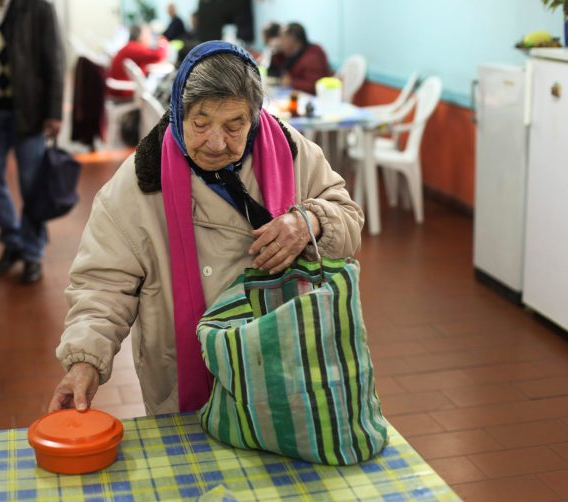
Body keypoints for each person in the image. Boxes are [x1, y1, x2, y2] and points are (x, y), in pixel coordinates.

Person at [48, 41, 364, 416]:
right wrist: (85, 362)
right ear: (179, 112)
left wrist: (309, 220)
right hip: (187, 378)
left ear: (256, 117)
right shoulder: (139, 183)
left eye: (235, 125)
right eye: (200, 123)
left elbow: (347, 218)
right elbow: (102, 285)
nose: (216, 142)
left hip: (286, 366)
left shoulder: (291, 152)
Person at [0, 0, 64, 284]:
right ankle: (14, 240)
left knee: (31, 186)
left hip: (29, 112)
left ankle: (32, 253)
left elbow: (54, 58)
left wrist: (54, 112)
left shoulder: (39, 7)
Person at [106, 24, 167, 98]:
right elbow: (159, 56)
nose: (151, 38)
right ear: (140, 36)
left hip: (117, 87)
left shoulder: (130, 46)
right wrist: (163, 43)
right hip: (121, 91)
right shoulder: (135, 48)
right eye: (148, 34)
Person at [270, 22, 332, 94]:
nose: (278, 41)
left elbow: (314, 86)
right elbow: (276, 69)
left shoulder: (313, 55)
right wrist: (275, 52)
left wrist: (292, 82)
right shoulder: (289, 53)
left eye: (281, 37)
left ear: (292, 39)